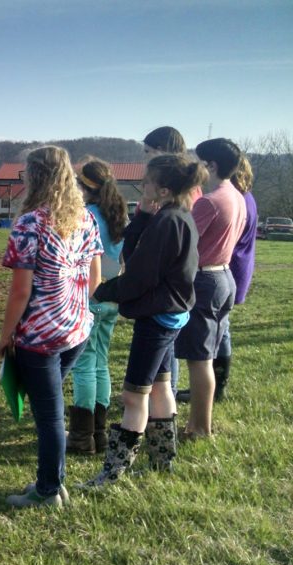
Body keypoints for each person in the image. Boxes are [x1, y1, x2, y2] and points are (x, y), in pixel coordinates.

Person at [82, 154, 203, 486]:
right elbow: (133, 252)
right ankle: (163, 461)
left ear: (163, 190)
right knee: (162, 387)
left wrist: (102, 292)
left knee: (135, 396)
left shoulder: (167, 223)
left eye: (147, 182)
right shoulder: (175, 217)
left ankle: (112, 474)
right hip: (171, 315)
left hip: (157, 319)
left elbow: (138, 276)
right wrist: (143, 219)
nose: (143, 185)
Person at [0, 146, 102, 507]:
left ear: (35, 177)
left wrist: (6, 334)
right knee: (51, 408)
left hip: (40, 337)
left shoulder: (30, 224)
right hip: (77, 328)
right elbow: (95, 278)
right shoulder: (86, 218)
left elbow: (20, 292)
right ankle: (51, 480)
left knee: (49, 415)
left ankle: (48, 490)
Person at [175, 138, 247, 439]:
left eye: (199, 161)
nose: (195, 166)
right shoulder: (236, 196)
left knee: (199, 361)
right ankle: (199, 424)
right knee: (206, 356)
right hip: (224, 277)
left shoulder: (209, 201)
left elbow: (182, 243)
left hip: (205, 281)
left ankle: (199, 428)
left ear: (212, 166)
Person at [125, 127, 200, 397]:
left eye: (148, 152)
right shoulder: (168, 199)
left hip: (162, 291)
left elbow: (152, 260)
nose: (144, 158)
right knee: (163, 360)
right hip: (165, 290)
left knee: (161, 356)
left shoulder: (174, 207)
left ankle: (154, 402)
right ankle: (161, 408)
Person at [66, 158, 127, 455]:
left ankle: (81, 436)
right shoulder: (118, 216)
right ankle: (100, 433)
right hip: (112, 296)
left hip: (89, 297)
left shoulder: (85, 217)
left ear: (85, 187)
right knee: (101, 363)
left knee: (83, 367)